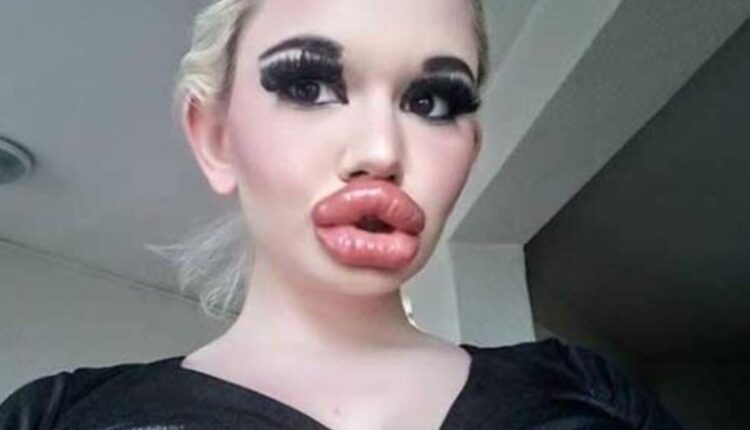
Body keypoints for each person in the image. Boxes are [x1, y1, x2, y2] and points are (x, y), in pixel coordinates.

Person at [0, 0, 684, 429]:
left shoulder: (590, 391)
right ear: (215, 137)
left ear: (470, 149)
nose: (381, 152)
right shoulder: (55, 417)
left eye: (431, 103)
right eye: (309, 85)